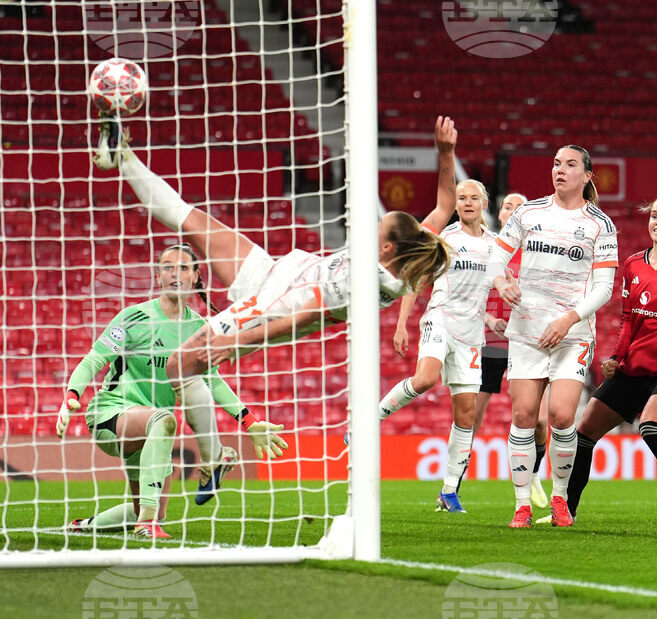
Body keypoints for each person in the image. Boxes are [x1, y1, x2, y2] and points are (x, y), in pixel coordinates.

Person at [93, 116, 457, 441]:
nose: (373, 227)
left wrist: (237, 341)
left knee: (179, 364)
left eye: (378, 228)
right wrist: (445, 154)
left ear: (387, 249)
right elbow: (443, 207)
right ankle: (122, 154)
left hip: (271, 307)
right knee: (194, 222)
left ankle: (213, 455)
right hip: (274, 272)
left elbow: (300, 319)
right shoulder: (401, 249)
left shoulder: (365, 285)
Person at [56, 245, 270, 538]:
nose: (175, 274)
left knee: (155, 509)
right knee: (164, 419)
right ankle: (146, 525)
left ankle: (88, 525)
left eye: (183, 268)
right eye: (168, 267)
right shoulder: (133, 317)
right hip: (111, 416)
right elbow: (94, 359)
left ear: (196, 277)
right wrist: (72, 394)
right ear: (158, 276)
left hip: (152, 431)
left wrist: (249, 420)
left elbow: (213, 381)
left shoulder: (199, 329)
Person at [550, 195, 657, 525]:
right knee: (584, 433)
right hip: (632, 368)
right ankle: (567, 512)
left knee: (650, 426)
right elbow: (627, 319)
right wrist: (616, 358)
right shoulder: (634, 264)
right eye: (654, 216)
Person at [489, 145, 618, 528]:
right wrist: (501, 280)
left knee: (562, 415)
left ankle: (559, 498)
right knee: (524, 415)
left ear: (587, 175)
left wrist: (569, 319)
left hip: (572, 334)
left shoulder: (600, 224)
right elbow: (496, 256)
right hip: (528, 329)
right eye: (557, 164)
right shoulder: (529, 213)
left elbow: (605, 287)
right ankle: (522, 504)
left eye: (570, 164)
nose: (560, 170)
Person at [379, 179, 494, 513]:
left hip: (471, 335)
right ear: (455, 204)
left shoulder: (496, 245)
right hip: (440, 319)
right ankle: (366, 424)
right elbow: (415, 278)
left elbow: (508, 278)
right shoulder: (444, 240)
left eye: (474, 198)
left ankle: (448, 492)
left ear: (484, 204)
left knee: (467, 414)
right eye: (461, 197)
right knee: (425, 378)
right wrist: (402, 323)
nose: (468, 202)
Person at [472, 192, 549, 510]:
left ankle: (532, 474)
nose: (514, 211)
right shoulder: (486, 251)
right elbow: (465, 298)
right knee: (471, 418)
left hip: (527, 343)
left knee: (541, 422)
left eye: (521, 207)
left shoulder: (540, 252)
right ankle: (452, 489)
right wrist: (488, 318)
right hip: (488, 345)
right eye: (508, 206)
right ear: (500, 214)